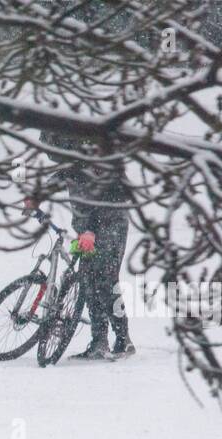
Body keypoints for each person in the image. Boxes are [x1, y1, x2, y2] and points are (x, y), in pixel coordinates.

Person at [29, 131, 133, 361]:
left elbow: (112, 196)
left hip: (111, 226)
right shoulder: (74, 163)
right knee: (88, 282)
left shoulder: (98, 161)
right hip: (89, 230)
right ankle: (99, 341)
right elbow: (58, 179)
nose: (50, 155)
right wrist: (35, 197)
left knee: (106, 281)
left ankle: (123, 339)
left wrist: (91, 230)